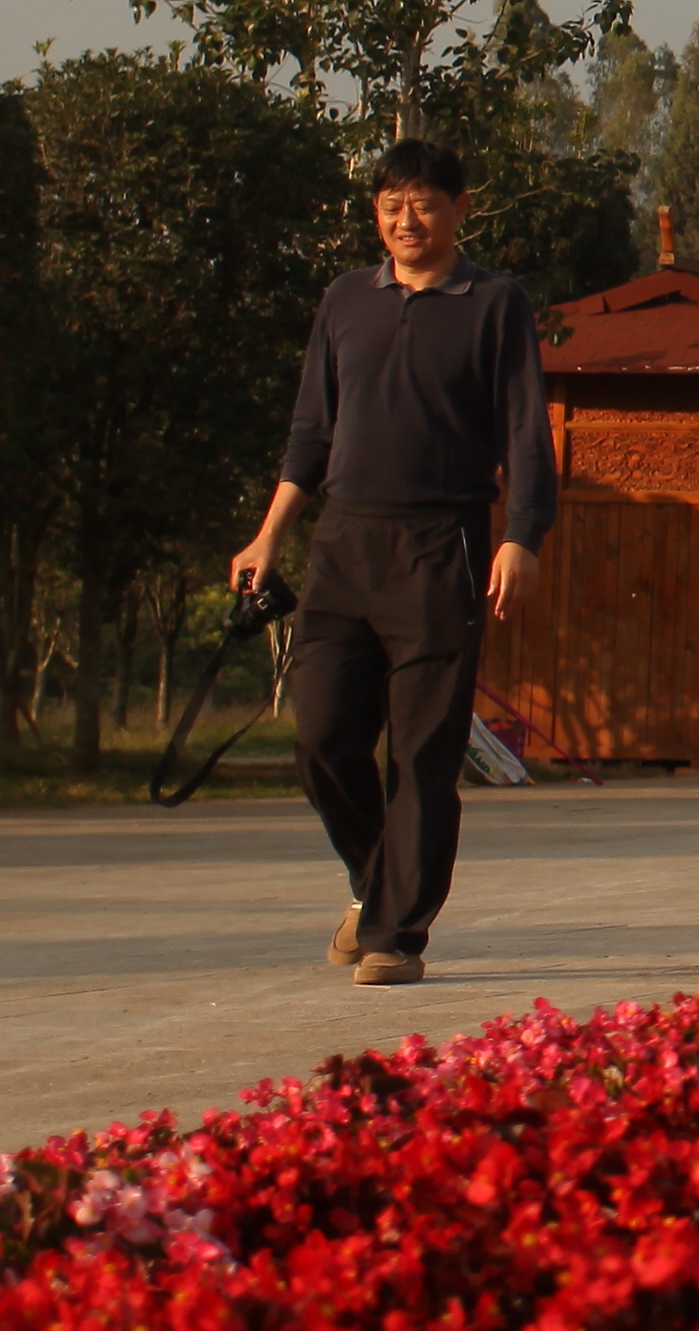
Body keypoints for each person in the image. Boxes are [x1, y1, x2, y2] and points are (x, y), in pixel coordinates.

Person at [231, 136, 553, 988]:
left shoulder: (495, 303)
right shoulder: (345, 301)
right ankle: (376, 883)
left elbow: (526, 431)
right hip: (343, 543)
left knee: (422, 754)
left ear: (459, 209)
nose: (405, 219)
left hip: (441, 546)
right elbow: (311, 432)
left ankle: (395, 935)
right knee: (323, 738)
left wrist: (521, 534)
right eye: (389, 204)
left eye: (423, 203)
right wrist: (269, 537)